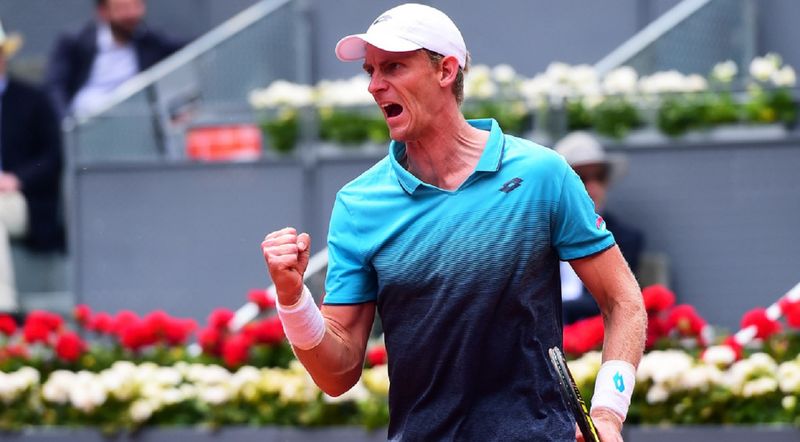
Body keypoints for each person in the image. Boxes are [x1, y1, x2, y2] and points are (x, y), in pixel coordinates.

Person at [261, 4, 646, 440]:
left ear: (445, 70)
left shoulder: (543, 174)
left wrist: (609, 411)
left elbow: (623, 301)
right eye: (370, 70)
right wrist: (292, 299)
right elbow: (337, 375)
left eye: (393, 67)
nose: (374, 85)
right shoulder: (357, 204)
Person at [0, 20, 64, 313]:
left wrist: (16, 179)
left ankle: (4, 308)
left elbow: (52, 156)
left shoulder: (32, 100)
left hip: (21, 200)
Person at [554, 132, 645, 325]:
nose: (593, 187)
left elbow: (616, 299)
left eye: (599, 177)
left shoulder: (625, 238)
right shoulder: (534, 232)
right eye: (580, 177)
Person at [45, 0, 184, 118]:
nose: (131, 14)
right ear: (103, 12)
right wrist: (66, 122)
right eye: (122, 8)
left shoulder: (149, 40)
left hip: (135, 118)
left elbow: (188, 49)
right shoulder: (75, 41)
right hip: (86, 121)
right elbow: (54, 86)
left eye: (136, 6)